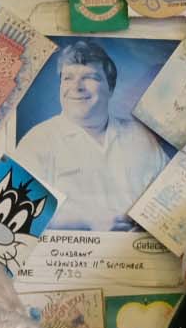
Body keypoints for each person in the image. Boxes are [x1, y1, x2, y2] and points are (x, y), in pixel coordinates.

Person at [15, 41, 163, 230]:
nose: (76, 87)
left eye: (89, 77)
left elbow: (170, 197)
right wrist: (87, 220)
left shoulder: (140, 136)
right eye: (68, 78)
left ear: (110, 88)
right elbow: (11, 212)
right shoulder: (36, 141)